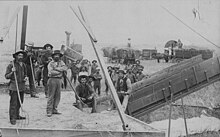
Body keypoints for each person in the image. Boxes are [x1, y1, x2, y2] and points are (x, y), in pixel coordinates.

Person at [5, 50, 28, 125]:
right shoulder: (11, 65)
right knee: (13, 103)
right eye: (19, 55)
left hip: (21, 86)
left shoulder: (23, 65)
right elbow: (6, 76)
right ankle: (12, 118)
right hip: (14, 87)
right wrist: (12, 72)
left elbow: (25, 74)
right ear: (16, 56)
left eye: (22, 56)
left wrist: (25, 77)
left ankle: (17, 115)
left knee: (20, 102)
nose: (20, 57)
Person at [46, 50, 68, 117]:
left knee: (57, 96)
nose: (57, 56)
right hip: (52, 80)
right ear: (53, 56)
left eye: (58, 55)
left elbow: (65, 68)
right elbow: (51, 72)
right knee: (51, 95)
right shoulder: (50, 63)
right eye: (55, 55)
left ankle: (54, 109)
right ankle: (49, 110)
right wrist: (60, 71)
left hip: (59, 80)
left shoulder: (61, 62)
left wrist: (56, 69)